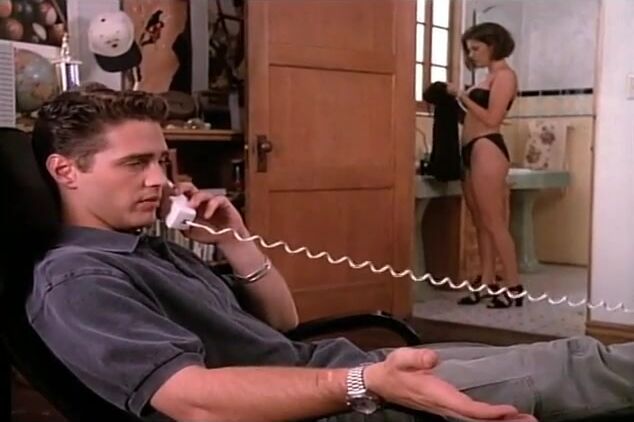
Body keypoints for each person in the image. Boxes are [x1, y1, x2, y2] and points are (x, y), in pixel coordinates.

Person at [25, 85, 633, 422]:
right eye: (135, 163)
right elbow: (192, 400)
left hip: (340, 372)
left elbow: (282, 323)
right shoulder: (78, 280)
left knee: (572, 358)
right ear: (65, 171)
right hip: (334, 404)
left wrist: (236, 240)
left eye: (161, 160)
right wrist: (367, 384)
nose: (159, 180)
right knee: (579, 370)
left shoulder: (145, 247)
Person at [445, 22, 522, 308]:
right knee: (480, 222)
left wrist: (462, 96)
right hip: (471, 149)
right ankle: (487, 280)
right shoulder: (487, 77)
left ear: (493, 46)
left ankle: (514, 285)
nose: (472, 54)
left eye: (476, 48)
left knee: (494, 222)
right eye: (469, 49)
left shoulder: (505, 77)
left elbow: (492, 119)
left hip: (487, 147)